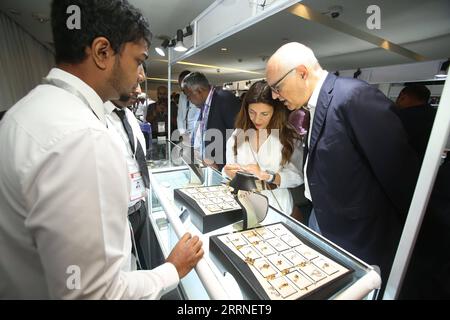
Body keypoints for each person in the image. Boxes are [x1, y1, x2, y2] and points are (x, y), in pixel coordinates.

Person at [0, 0, 203, 299]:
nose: (138, 76)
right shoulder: (84, 137)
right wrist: (172, 268)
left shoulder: (21, 114)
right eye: (137, 60)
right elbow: (94, 293)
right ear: (102, 52)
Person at [266, 42, 420, 287]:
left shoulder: (354, 97)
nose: (274, 95)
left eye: (277, 87)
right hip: (323, 219)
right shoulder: (311, 107)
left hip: (359, 235)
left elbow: (400, 176)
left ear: (302, 73)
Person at [223, 80, 303, 216]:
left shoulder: (289, 136)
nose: (257, 119)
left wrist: (266, 175)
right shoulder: (238, 134)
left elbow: (297, 177)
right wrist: (227, 171)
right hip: (245, 206)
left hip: (278, 208)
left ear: (276, 111)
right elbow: (228, 170)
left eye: (264, 114)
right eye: (252, 112)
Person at [104, 65, 152, 270]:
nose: (139, 91)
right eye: (136, 82)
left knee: (137, 263)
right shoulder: (94, 119)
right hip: (117, 216)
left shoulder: (128, 115)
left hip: (139, 205)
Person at [181, 72, 240, 170]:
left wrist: (220, 164)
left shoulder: (225, 99)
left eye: (188, 95)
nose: (188, 99)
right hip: (209, 165)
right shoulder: (205, 104)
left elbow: (237, 137)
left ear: (199, 91)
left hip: (224, 168)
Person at [394, 84, 437, 161]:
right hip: (426, 164)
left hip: (400, 163)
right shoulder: (436, 116)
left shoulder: (401, 116)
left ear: (403, 97)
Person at [176, 70, 200, 142]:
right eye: (180, 85)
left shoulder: (199, 96)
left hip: (196, 136)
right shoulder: (182, 95)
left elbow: (198, 119)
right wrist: (182, 134)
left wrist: (192, 136)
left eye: (183, 85)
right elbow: (180, 116)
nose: (181, 88)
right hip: (184, 135)